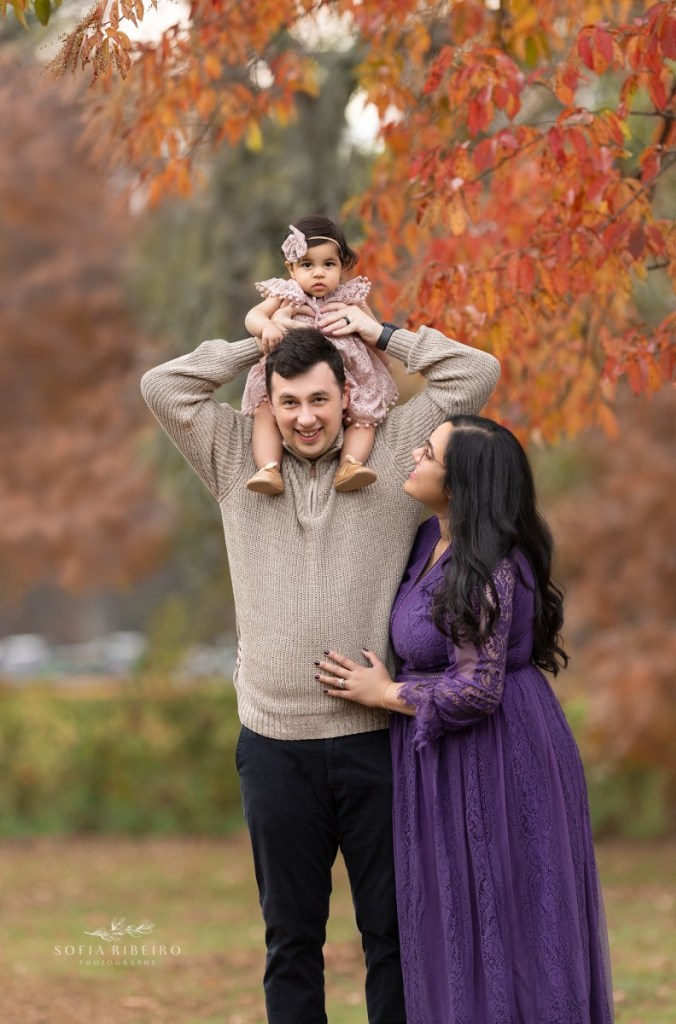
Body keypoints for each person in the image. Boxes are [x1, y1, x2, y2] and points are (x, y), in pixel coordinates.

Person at [141, 305, 500, 1024]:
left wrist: (376, 333)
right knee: (291, 941)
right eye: (289, 402)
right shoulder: (236, 458)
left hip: (377, 742)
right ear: (268, 406)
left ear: (347, 397)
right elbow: (162, 386)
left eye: (319, 399)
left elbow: (476, 372)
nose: (306, 417)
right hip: (274, 747)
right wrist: (257, 343)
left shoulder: (396, 452)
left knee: (392, 937)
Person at [317, 416, 614, 1024]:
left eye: (426, 453)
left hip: (499, 755)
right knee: (456, 916)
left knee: (511, 916)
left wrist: (384, 692)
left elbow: (478, 688)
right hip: (443, 759)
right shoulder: (431, 538)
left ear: (460, 484)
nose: (414, 457)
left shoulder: (492, 563)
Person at [242, 215, 398, 495]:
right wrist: (267, 327)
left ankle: (351, 464)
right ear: (291, 269)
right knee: (266, 409)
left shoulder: (350, 298)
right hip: (291, 371)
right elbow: (253, 316)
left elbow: (373, 331)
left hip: (350, 374)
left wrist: (383, 361)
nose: (318, 273)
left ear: (342, 266)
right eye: (307, 265)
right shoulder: (286, 296)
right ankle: (268, 467)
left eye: (328, 264)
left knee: (364, 414)